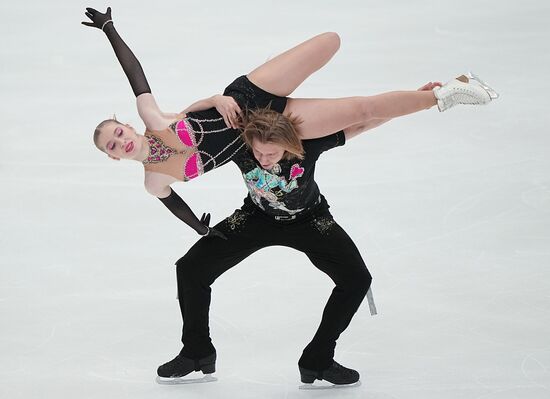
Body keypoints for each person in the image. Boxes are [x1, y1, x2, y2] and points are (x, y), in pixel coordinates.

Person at [82, 7, 499, 240]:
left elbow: (133, 70)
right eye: (111, 147)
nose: (119, 141)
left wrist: (109, 29)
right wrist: (201, 231)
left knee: (330, 41)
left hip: (248, 94)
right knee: (361, 110)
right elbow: (175, 205)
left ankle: (425, 96)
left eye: (117, 132)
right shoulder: (154, 181)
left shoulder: (153, 118)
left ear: (127, 127)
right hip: (267, 129)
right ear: (114, 158)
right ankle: (444, 95)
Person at [154, 81, 459, 386]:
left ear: (289, 144)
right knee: (191, 267)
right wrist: (215, 99)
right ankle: (196, 352)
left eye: (271, 154)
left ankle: (318, 358)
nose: (263, 159)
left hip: (310, 221)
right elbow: (184, 119)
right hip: (255, 217)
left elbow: (364, 121)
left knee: (357, 279)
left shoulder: (310, 144)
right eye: (259, 153)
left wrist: (419, 98)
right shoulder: (240, 145)